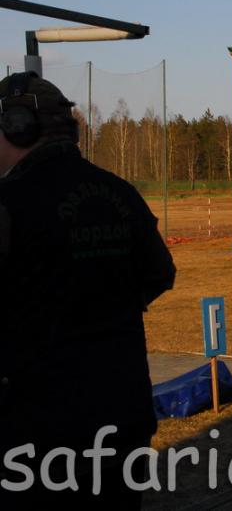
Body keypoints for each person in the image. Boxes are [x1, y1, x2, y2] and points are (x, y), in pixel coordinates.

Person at [0, 72, 176, 507]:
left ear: (18, 128)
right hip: (122, 418)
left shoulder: (9, 203)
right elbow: (159, 274)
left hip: (36, 432)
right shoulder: (121, 193)